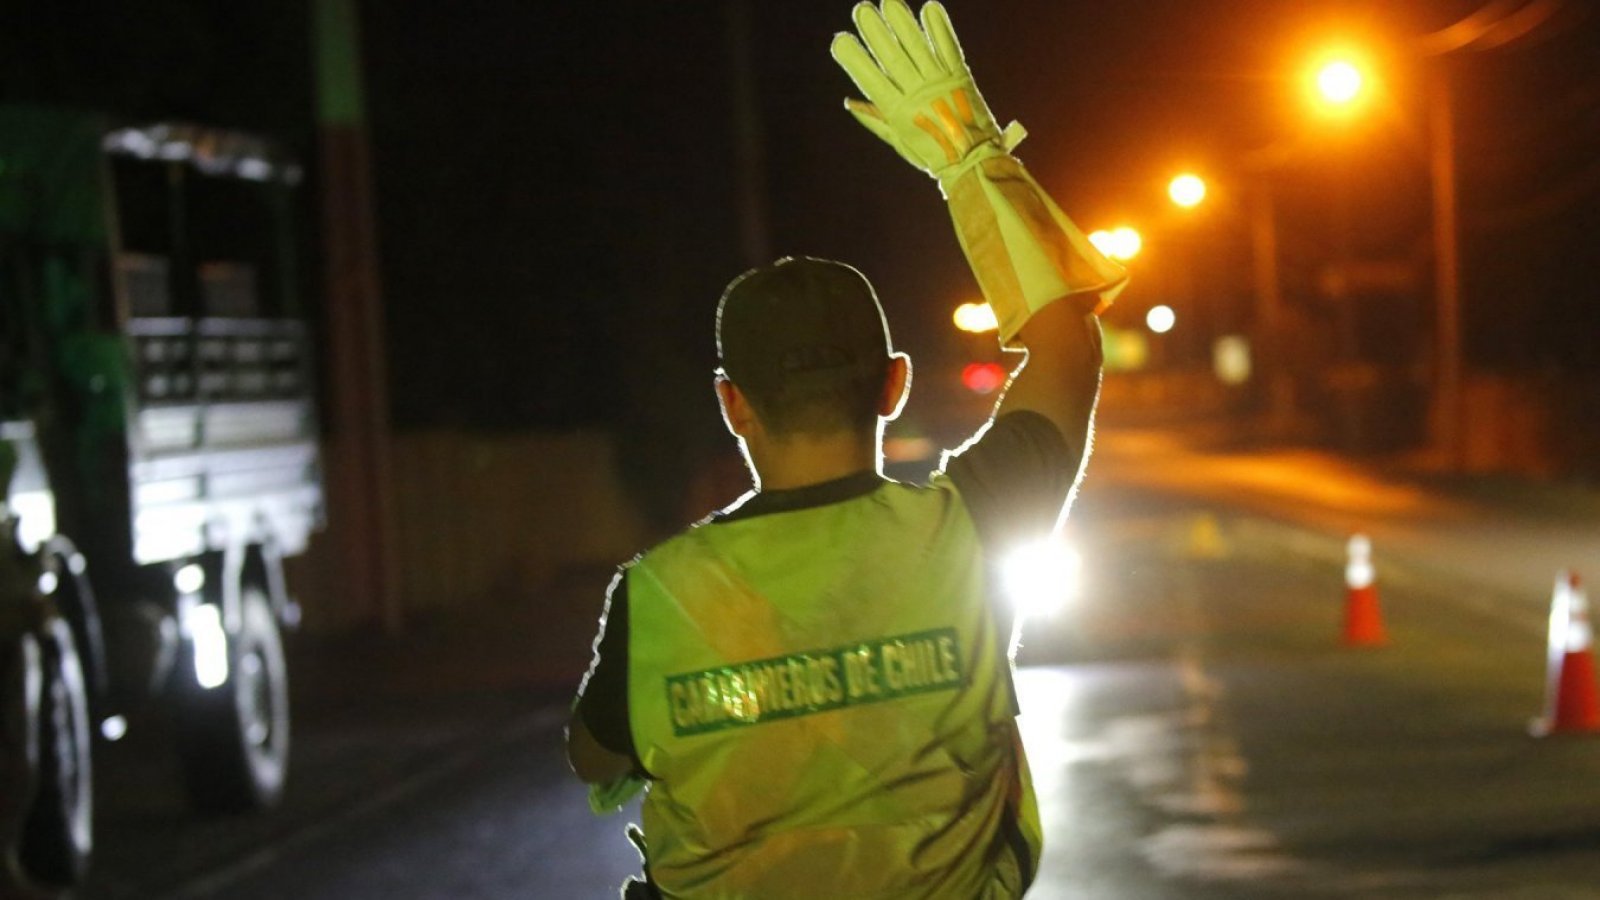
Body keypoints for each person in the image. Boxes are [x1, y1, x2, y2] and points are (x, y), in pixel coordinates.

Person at [566, 2, 1126, 897]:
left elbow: (594, 756)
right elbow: (1070, 340)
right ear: (893, 384)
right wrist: (971, 157)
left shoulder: (661, 594)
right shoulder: (968, 532)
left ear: (732, 405)